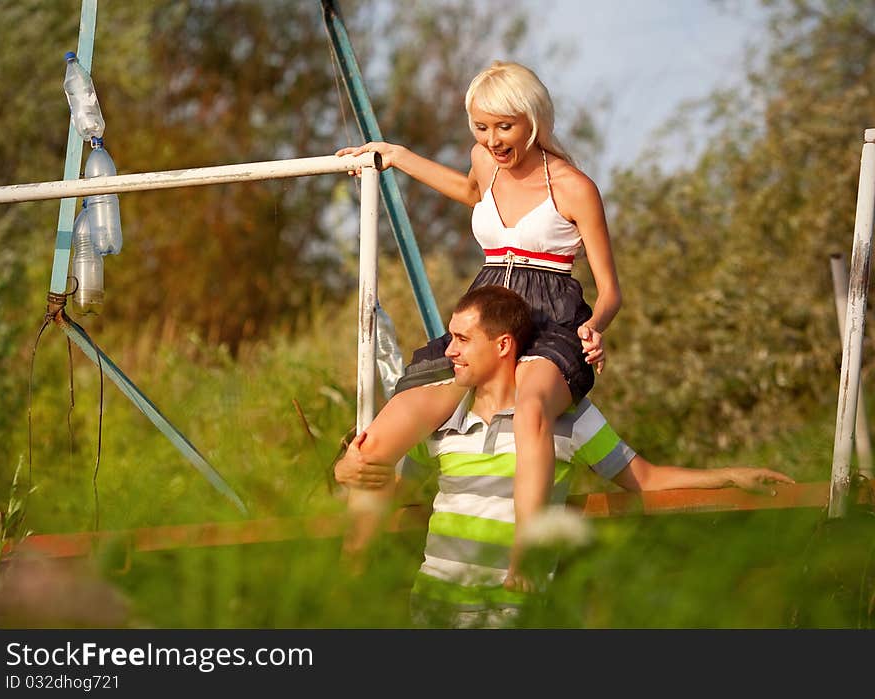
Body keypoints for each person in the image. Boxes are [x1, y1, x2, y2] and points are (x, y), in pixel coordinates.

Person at [334, 285, 794, 628]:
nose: (448, 350)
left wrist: (730, 475)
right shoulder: (440, 418)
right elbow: (395, 491)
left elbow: (646, 478)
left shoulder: (570, 419)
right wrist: (347, 468)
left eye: (461, 339)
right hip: (433, 604)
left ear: (502, 345)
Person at [336, 61, 621, 586]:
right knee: (380, 437)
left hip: (552, 315)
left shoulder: (574, 187)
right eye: (481, 127)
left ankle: (526, 555)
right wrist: (395, 156)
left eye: (504, 127)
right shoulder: (483, 163)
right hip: (486, 309)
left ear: (533, 120)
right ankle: (349, 575)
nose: (491, 140)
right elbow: (470, 193)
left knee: (531, 402)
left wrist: (594, 327)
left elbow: (611, 290)